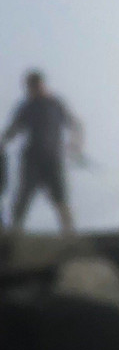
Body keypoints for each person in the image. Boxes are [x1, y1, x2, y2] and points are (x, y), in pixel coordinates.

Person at [0, 70, 83, 234]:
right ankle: (15, 233)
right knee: (23, 197)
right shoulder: (26, 107)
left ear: (41, 84)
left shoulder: (55, 104)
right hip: (32, 159)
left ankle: (70, 234)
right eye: (29, 87)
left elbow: (75, 124)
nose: (32, 90)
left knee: (60, 198)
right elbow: (13, 129)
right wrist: (2, 142)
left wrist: (75, 145)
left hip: (53, 158)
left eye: (34, 85)